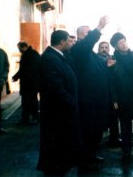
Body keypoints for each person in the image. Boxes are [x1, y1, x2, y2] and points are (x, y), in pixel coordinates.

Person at [36, 30, 82, 175]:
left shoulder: (57, 56)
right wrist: (70, 101)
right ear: (62, 42)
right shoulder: (50, 58)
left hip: (62, 108)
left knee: (60, 141)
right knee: (55, 141)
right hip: (57, 110)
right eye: (68, 40)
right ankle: (55, 168)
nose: (70, 43)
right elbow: (55, 86)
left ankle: (59, 165)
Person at [71, 16, 112, 165]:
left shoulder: (91, 53)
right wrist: (98, 28)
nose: (90, 35)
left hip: (97, 99)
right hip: (88, 100)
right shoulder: (79, 49)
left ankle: (91, 155)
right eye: (86, 33)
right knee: (88, 131)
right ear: (80, 36)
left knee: (96, 131)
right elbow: (87, 43)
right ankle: (86, 161)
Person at [97, 41, 122, 148]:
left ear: (109, 49)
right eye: (102, 47)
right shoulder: (95, 59)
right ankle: (97, 141)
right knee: (99, 118)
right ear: (98, 49)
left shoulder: (113, 59)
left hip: (112, 94)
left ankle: (114, 139)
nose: (104, 49)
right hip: (99, 93)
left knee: (114, 118)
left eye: (106, 47)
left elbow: (117, 77)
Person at [12, 41, 41, 125]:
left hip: (30, 84)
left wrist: (17, 77)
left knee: (31, 102)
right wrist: (16, 77)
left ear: (23, 47)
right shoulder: (30, 54)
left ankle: (32, 118)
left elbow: (27, 70)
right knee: (27, 102)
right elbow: (23, 70)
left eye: (19, 48)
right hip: (29, 84)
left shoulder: (31, 55)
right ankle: (27, 118)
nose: (19, 50)